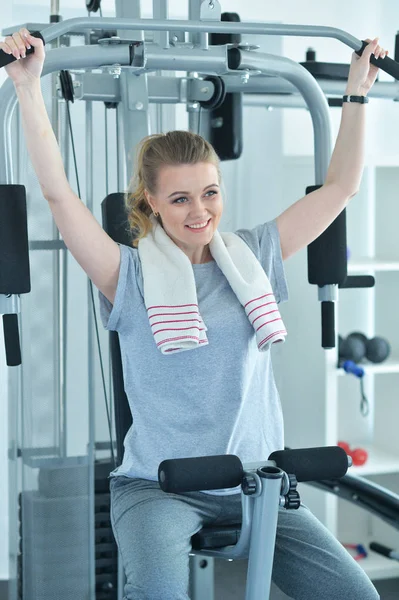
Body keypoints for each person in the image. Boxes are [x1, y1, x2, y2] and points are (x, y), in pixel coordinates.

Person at [1, 27, 387, 600]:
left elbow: (342, 187)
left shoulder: (254, 256)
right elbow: (60, 197)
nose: (199, 211)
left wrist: (356, 92)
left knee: (357, 595)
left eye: (209, 193)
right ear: (151, 202)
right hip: (159, 487)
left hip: (256, 480)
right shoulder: (126, 277)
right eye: (179, 198)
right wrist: (29, 88)